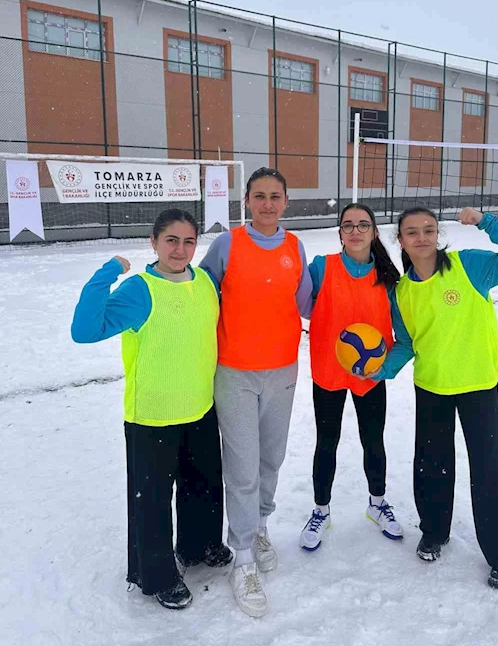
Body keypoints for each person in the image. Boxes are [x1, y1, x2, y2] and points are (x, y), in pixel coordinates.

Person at [71, 208, 231, 610]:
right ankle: (156, 574)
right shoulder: (140, 289)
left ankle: (200, 545)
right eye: (171, 240)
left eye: (189, 241)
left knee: (203, 486)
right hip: (153, 415)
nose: (180, 250)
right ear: (154, 242)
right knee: (153, 500)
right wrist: (107, 273)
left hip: (200, 407)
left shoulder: (205, 283)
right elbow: (85, 331)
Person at [375, 206, 498, 590]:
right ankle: (434, 531)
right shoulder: (402, 291)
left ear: (438, 235)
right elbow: (407, 342)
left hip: (477, 384)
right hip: (432, 386)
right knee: (431, 464)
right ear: (400, 240)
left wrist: (486, 222)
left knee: (487, 467)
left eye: (428, 230)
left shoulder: (468, 266)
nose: (421, 238)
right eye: (412, 232)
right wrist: (381, 369)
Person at [201, 167, 312, 617]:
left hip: (282, 368)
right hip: (235, 371)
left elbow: (307, 303)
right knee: (243, 463)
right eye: (259, 196)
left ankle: (260, 524)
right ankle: (242, 554)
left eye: (275, 196)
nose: (267, 204)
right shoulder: (227, 245)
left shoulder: (295, 247)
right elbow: (199, 296)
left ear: (286, 201)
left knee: (271, 456)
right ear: (246, 200)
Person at [299, 203, 404, 551]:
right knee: (326, 442)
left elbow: (403, 333)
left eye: (363, 225)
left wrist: (385, 368)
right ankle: (320, 510)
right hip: (329, 371)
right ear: (340, 233)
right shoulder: (322, 267)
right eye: (348, 225)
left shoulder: (388, 278)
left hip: (371, 375)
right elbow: (296, 302)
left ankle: (378, 503)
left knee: (373, 440)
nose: (355, 231)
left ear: (374, 232)